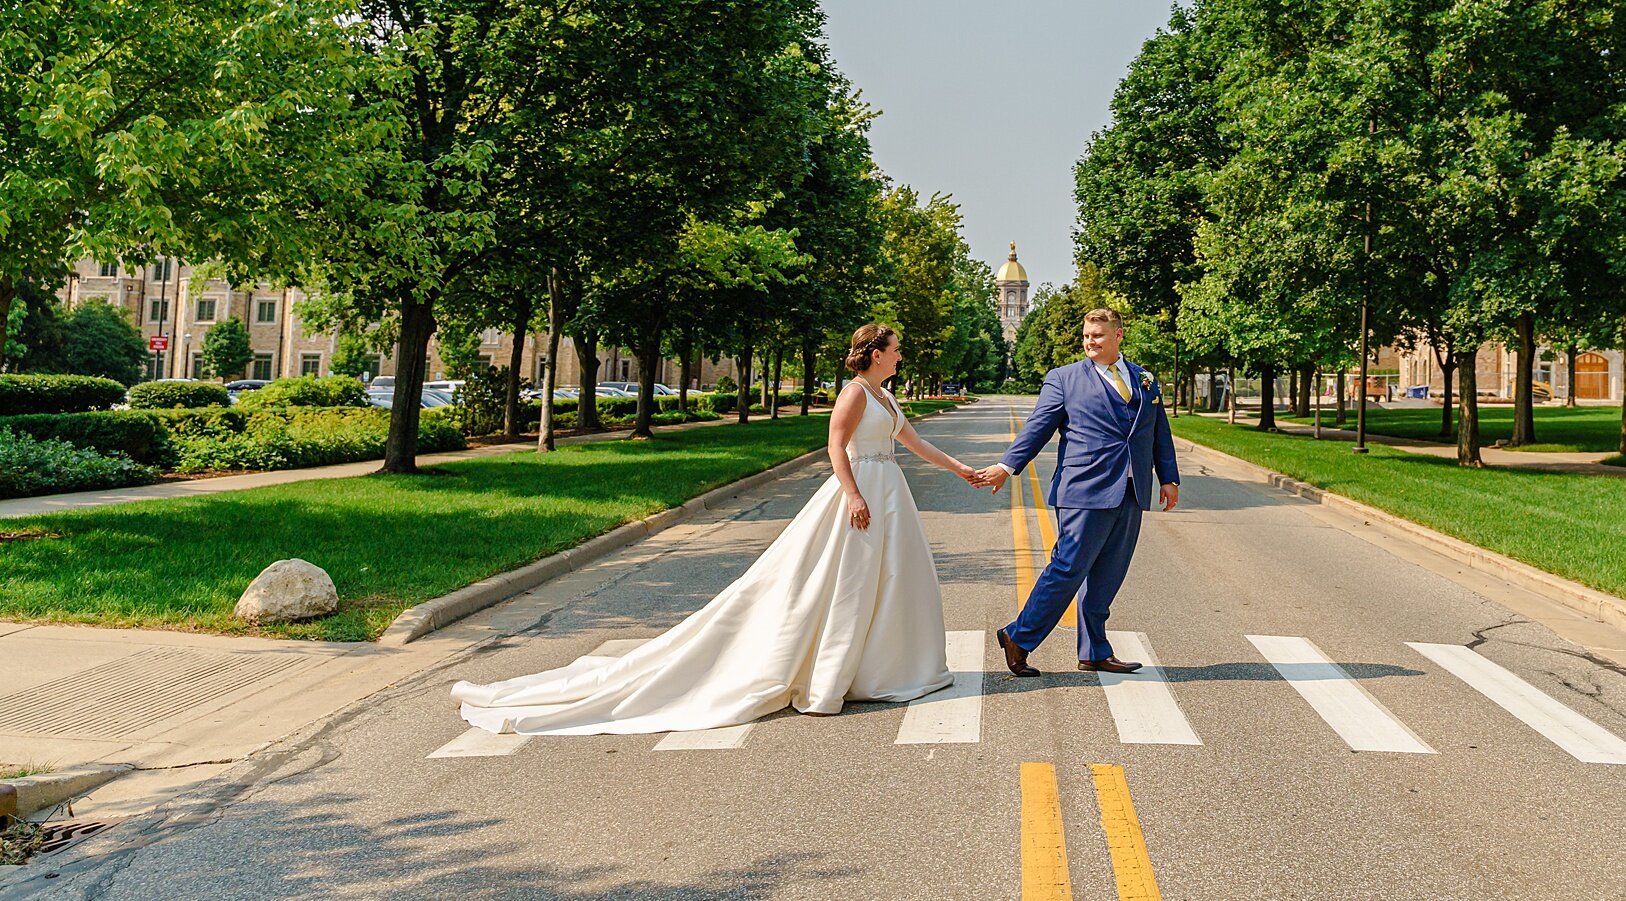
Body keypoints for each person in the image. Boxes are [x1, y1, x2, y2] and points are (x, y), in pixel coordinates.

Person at [451, 324, 985, 735]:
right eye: (894, 349)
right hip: (864, 493)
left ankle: (882, 670)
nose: (899, 355)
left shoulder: (887, 398)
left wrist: (961, 470)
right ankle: (828, 673)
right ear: (875, 353)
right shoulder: (854, 394)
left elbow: (913, 442)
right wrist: (852, 493)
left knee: (890, 583)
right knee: (842, 585)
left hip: (890, 490)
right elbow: (833, 447)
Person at [973, 308, 1179, 677]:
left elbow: (1157, 430)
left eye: (1097, 335)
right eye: (1086, 335)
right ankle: (1018, 636)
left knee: (1109, 573)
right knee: (1068, 568)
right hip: (1083, 490)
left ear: (1118, 335)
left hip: (1132, 489)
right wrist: (1006, 467)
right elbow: (1038, 427)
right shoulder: (1063, 379)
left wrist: (1169, 477)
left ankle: (1094, 650)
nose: (1089, 341)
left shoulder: (1144, 378)